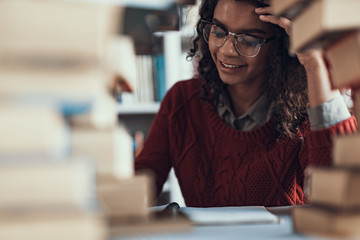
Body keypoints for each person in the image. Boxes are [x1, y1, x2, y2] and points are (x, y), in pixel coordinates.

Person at [135, 0, 357, 207]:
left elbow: (341, 197)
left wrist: (313, 62)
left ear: (283, 45)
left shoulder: (310, 112)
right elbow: (145, 179)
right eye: (219, 32)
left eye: (249, 40)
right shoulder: (182, 100)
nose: (227, 50)